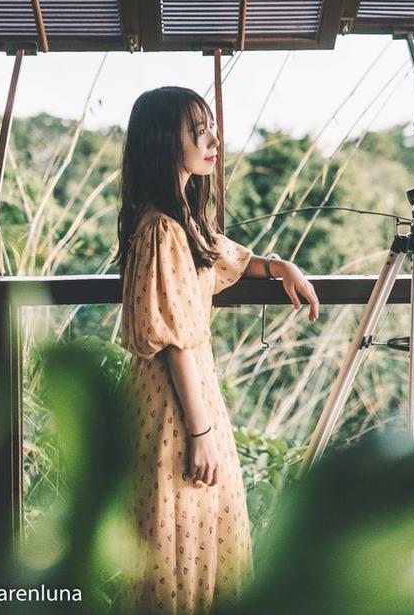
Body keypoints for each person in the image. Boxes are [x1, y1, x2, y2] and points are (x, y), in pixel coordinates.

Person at [115, 86, 320, 614]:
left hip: (188, 400)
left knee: (193, 543)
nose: (214, 139)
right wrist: (201, 434)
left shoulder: (181, 218)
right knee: (176, 551)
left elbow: (226, 257)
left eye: (210, 127)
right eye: (197, 130)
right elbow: (176, 342)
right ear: (165, 143)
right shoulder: (161, 228)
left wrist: (279, 266)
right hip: (177, 407)